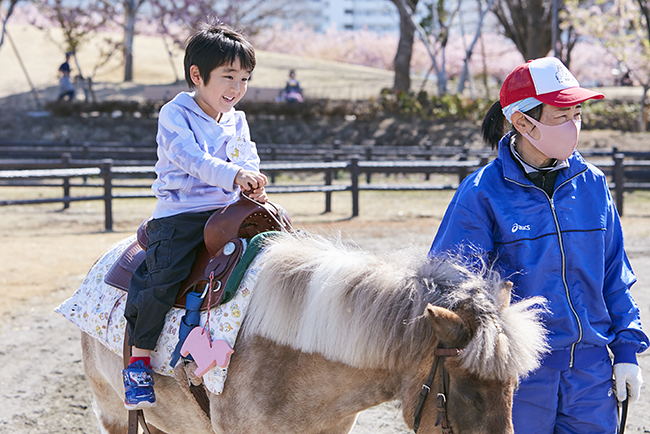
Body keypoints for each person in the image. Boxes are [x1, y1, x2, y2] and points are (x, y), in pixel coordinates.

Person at [428, 57, 648, 433]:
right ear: (522, 121)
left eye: (577, 113)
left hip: (591, 374)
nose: (573, 125)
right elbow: (452, 291)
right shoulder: (481, 194)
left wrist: (627, 350)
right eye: (561, 115)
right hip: (518, 378)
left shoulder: (592, 184)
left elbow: (615, 275)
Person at [122, 21, 268, 410]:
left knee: (276, 246)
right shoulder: (175, 114)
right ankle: (137, 361)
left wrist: (251, 180)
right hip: (183, 214)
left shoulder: (236, 117)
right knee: (163, 280)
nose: (236, 88)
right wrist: (234, 174)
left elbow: (246, 154)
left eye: (245, 78)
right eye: (228, 76)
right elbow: (191, 159)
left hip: (228, 210)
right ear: (197, 75)